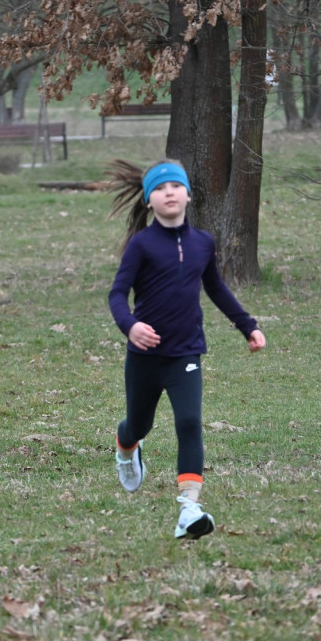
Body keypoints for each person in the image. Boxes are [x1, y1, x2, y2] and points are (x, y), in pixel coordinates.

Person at [107, 159, 266, 539]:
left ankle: (189, 508)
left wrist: (248, 326)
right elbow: (116, 294)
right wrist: (130, 326)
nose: (169, 193)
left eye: (175, 186)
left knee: (190, 423)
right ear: (150, 201)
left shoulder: (203, 243)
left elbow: (215, 288)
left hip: (186, 353)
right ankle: (125, 447)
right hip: (145, 356)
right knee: (138, 424)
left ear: (188, 195)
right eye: (159, 189)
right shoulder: (141, 245)